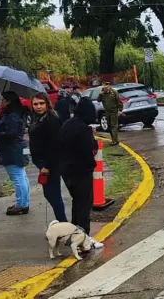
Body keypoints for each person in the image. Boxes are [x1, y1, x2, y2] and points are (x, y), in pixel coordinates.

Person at [60, 97, 103, 249]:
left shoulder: (66, 124)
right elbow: (90, 150)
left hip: (66, 172)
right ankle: (83, 239)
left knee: (76, 203)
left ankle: (74, 235)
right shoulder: (84, 129)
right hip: (81, 171)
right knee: (84, 205)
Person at [29, 92, 67, 222]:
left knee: (53, 195)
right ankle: (63, 222)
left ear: (47, 104)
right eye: (35, 104)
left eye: (41, 103)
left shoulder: (51, 120)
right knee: (50, 194)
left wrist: (47, 166)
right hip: (42, 163)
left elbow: (55, 146)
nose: (38, 106)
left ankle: (63, 224)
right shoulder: (38, 118)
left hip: (50, 164)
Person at [0, 92, 30, 215]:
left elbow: (10, 134)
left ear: (9, 102)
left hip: (12, 150)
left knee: (18, 177)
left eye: (3, 100)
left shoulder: (12, 117)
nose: (1, 102)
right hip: (15, 149)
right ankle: (22, 202)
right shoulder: (13, 115)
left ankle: (21, 204)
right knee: (21, 176)